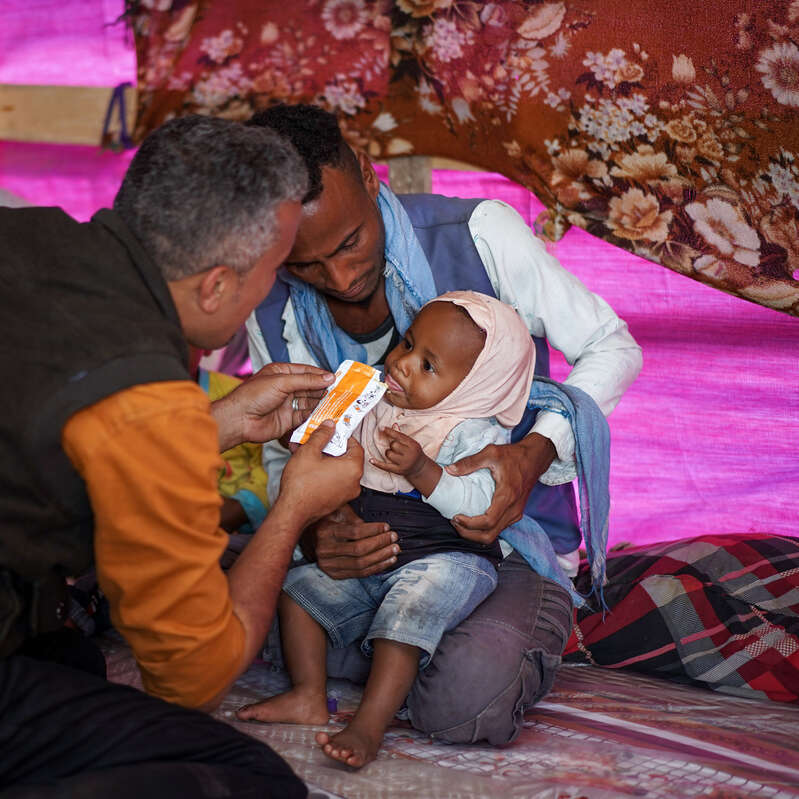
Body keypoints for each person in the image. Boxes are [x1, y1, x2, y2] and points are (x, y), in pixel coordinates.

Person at [243, 103, 643, 745]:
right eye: (303, 264)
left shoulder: (478, 235)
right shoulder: (266, 307)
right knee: (238, 611)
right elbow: (283, 451)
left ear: (371, 178)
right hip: (374, 552)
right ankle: (382, 653)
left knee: (461, 703)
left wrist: (534, 453)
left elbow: (613, 346)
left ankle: (422, 653)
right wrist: (317, 526)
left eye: (349, 242)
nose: (339, 278)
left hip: (495, 548)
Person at [0, 115, 364, 798]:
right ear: (216, 286)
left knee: (73, 660)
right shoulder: (147, 404)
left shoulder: (26, 233)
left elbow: (60, 421)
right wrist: (292, 509)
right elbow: (191, 679)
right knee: (252, 780)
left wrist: (212, 423)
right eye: (277, 269)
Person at [243, 291, 575, 767]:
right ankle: (307, 694)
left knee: (408, 612)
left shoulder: (471, 432)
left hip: (446, 559)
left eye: (427, 366)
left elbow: (479, 502)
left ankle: (369, 725)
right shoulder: (377, 400)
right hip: (376, 554)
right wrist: (302, 430)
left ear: (475, 387)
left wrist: (425, 471)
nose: (401, 365)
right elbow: (331, 448)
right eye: (406, 344)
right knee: (297, 591)